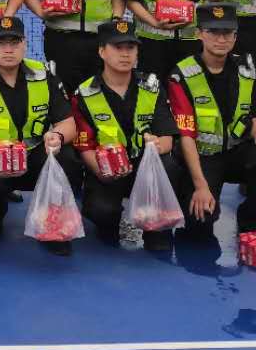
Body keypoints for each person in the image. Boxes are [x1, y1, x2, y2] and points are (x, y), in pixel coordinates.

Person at [0, 15, 84, 254]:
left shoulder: (43, 75)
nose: (8, 49)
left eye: (14, 42)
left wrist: (57, 136)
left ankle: (52, 227)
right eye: (1, 42)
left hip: (34, 156)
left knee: (68, 160)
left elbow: (68, 123)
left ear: (24, 44)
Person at [72, 18, 183, 251]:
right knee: (102, 212)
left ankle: (156, 228)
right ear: (102, 51)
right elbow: (84, 146)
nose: (125, 54)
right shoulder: (84, 94)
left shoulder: (152, 87)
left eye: (130, 48)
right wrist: (102, 172)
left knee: (170, 165)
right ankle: (108, 222)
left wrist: (156, 145)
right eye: (117, 47)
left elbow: (167, 136)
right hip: (106, 171)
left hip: (146, 169)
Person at [166, 2, 256, 239]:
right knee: (200, 223)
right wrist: (200, 186)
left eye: (227, 33)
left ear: (235, 37)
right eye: (213, 32)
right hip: (202, 157)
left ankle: (250, 219)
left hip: (237, 152)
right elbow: (185, 136)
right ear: (199, 34)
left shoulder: (247, 69)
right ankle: (191, 195)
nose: (221, 39)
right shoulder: (181, 75)